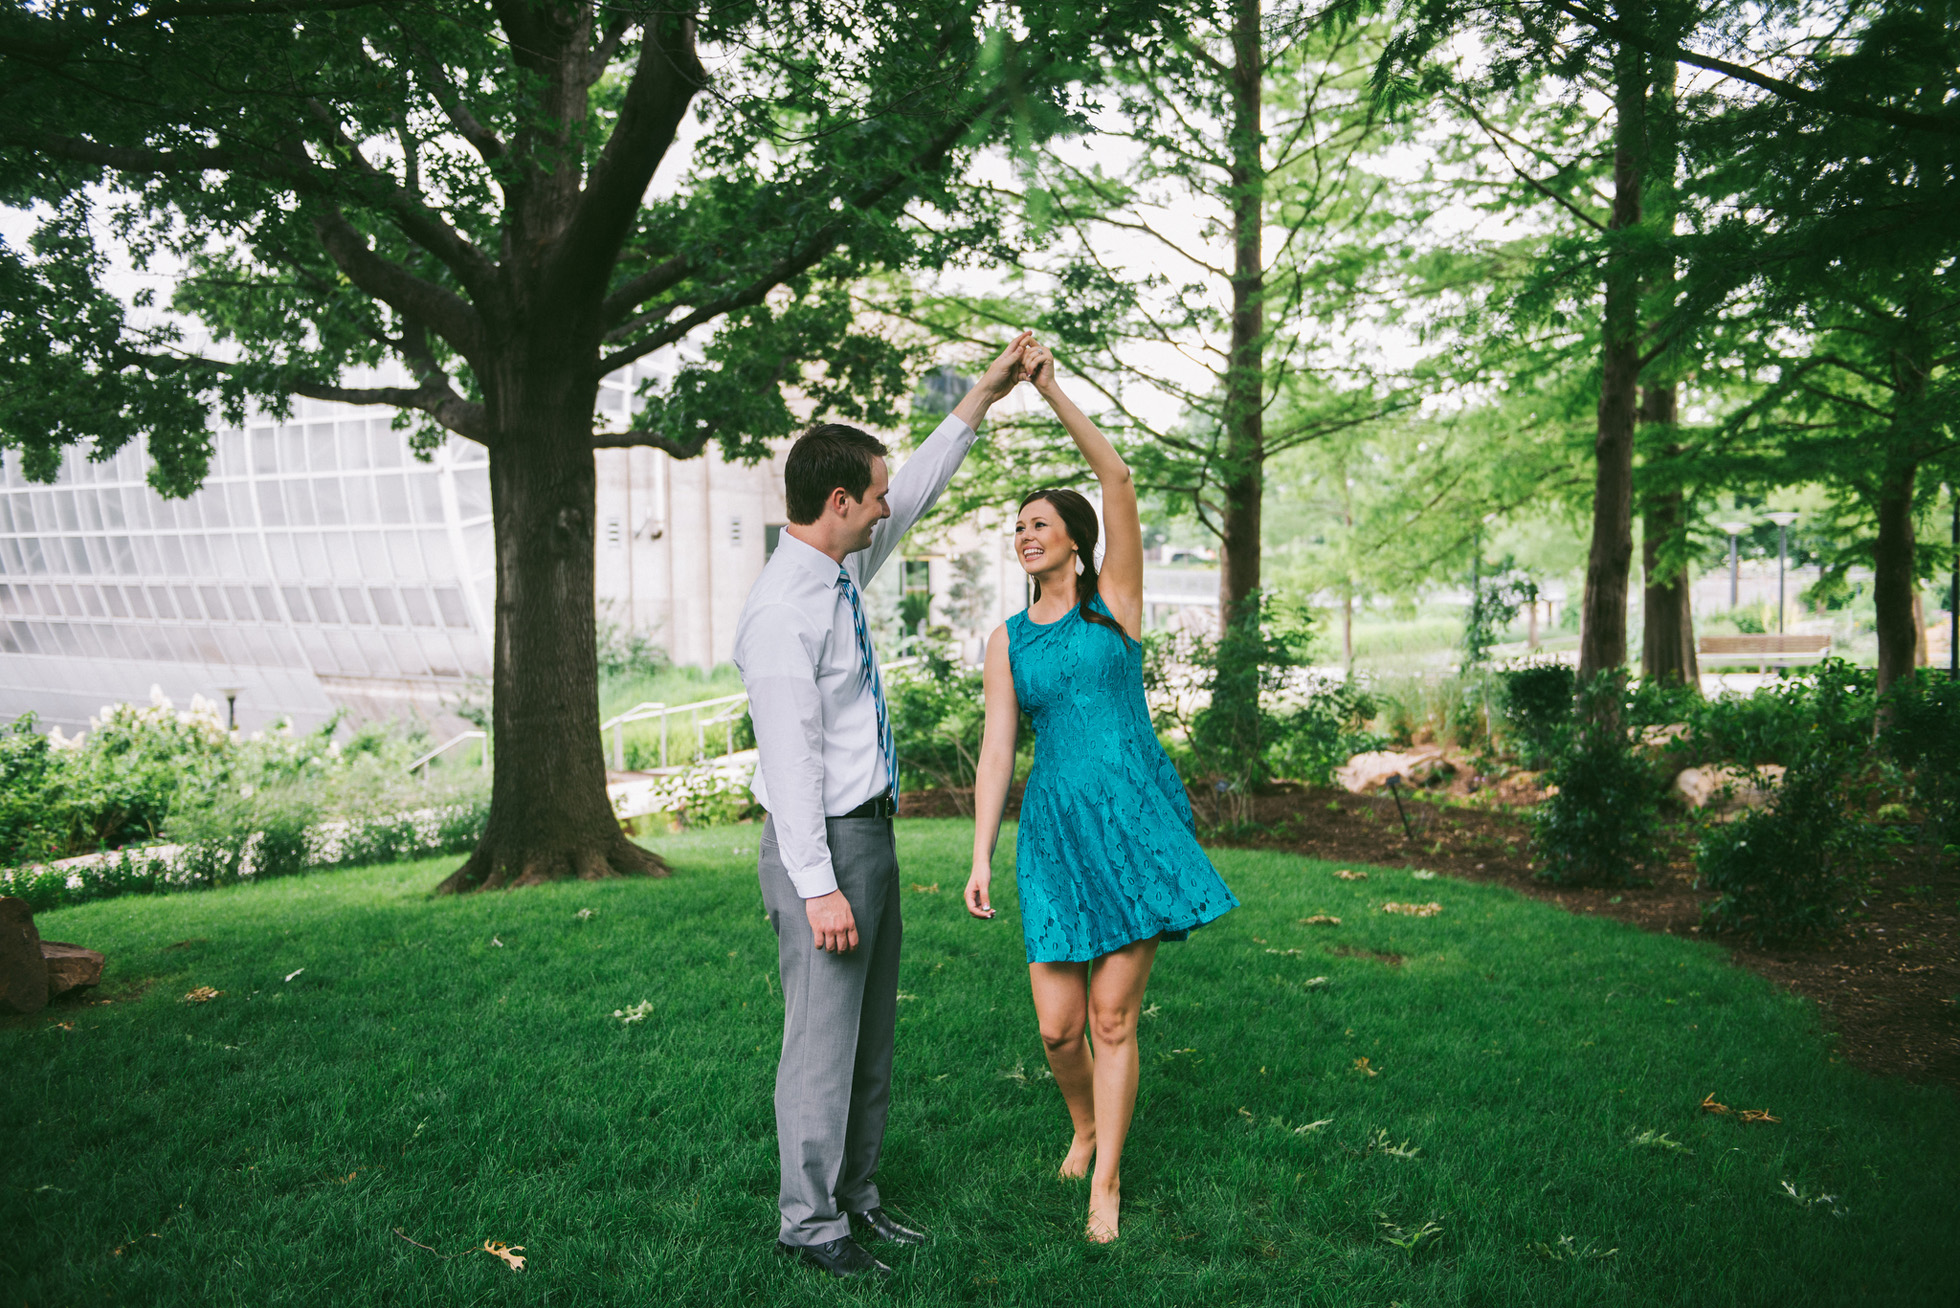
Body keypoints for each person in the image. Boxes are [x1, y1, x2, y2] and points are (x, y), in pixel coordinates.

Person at [734, 331, 1033, 1280]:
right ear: (835, 503)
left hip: (868, 837)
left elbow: (917, 489)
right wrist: (819, 887)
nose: (883, 511)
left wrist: (982, 395)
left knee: (867, 1039)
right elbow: (788, 767)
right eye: (870, 497)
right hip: (820, 848)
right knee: (821, 1044)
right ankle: (810, 1226)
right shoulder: (785, 610)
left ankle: (856, 1199)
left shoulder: (837, 572)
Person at [964, 339, 1239, 1244]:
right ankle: (1081, 1121)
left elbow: (1116, 478)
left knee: (1113, 1017)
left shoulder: (1112, 605)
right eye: (1018, 526)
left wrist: (1049, 390)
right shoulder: (1008, 640)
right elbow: (999, 747)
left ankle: (1106, 1182)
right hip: (1053, 831)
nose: (1025, 534)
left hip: (1131, 820)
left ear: (1074, 542)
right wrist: (980, 854)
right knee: (1057, 1028)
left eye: (1040, 523)